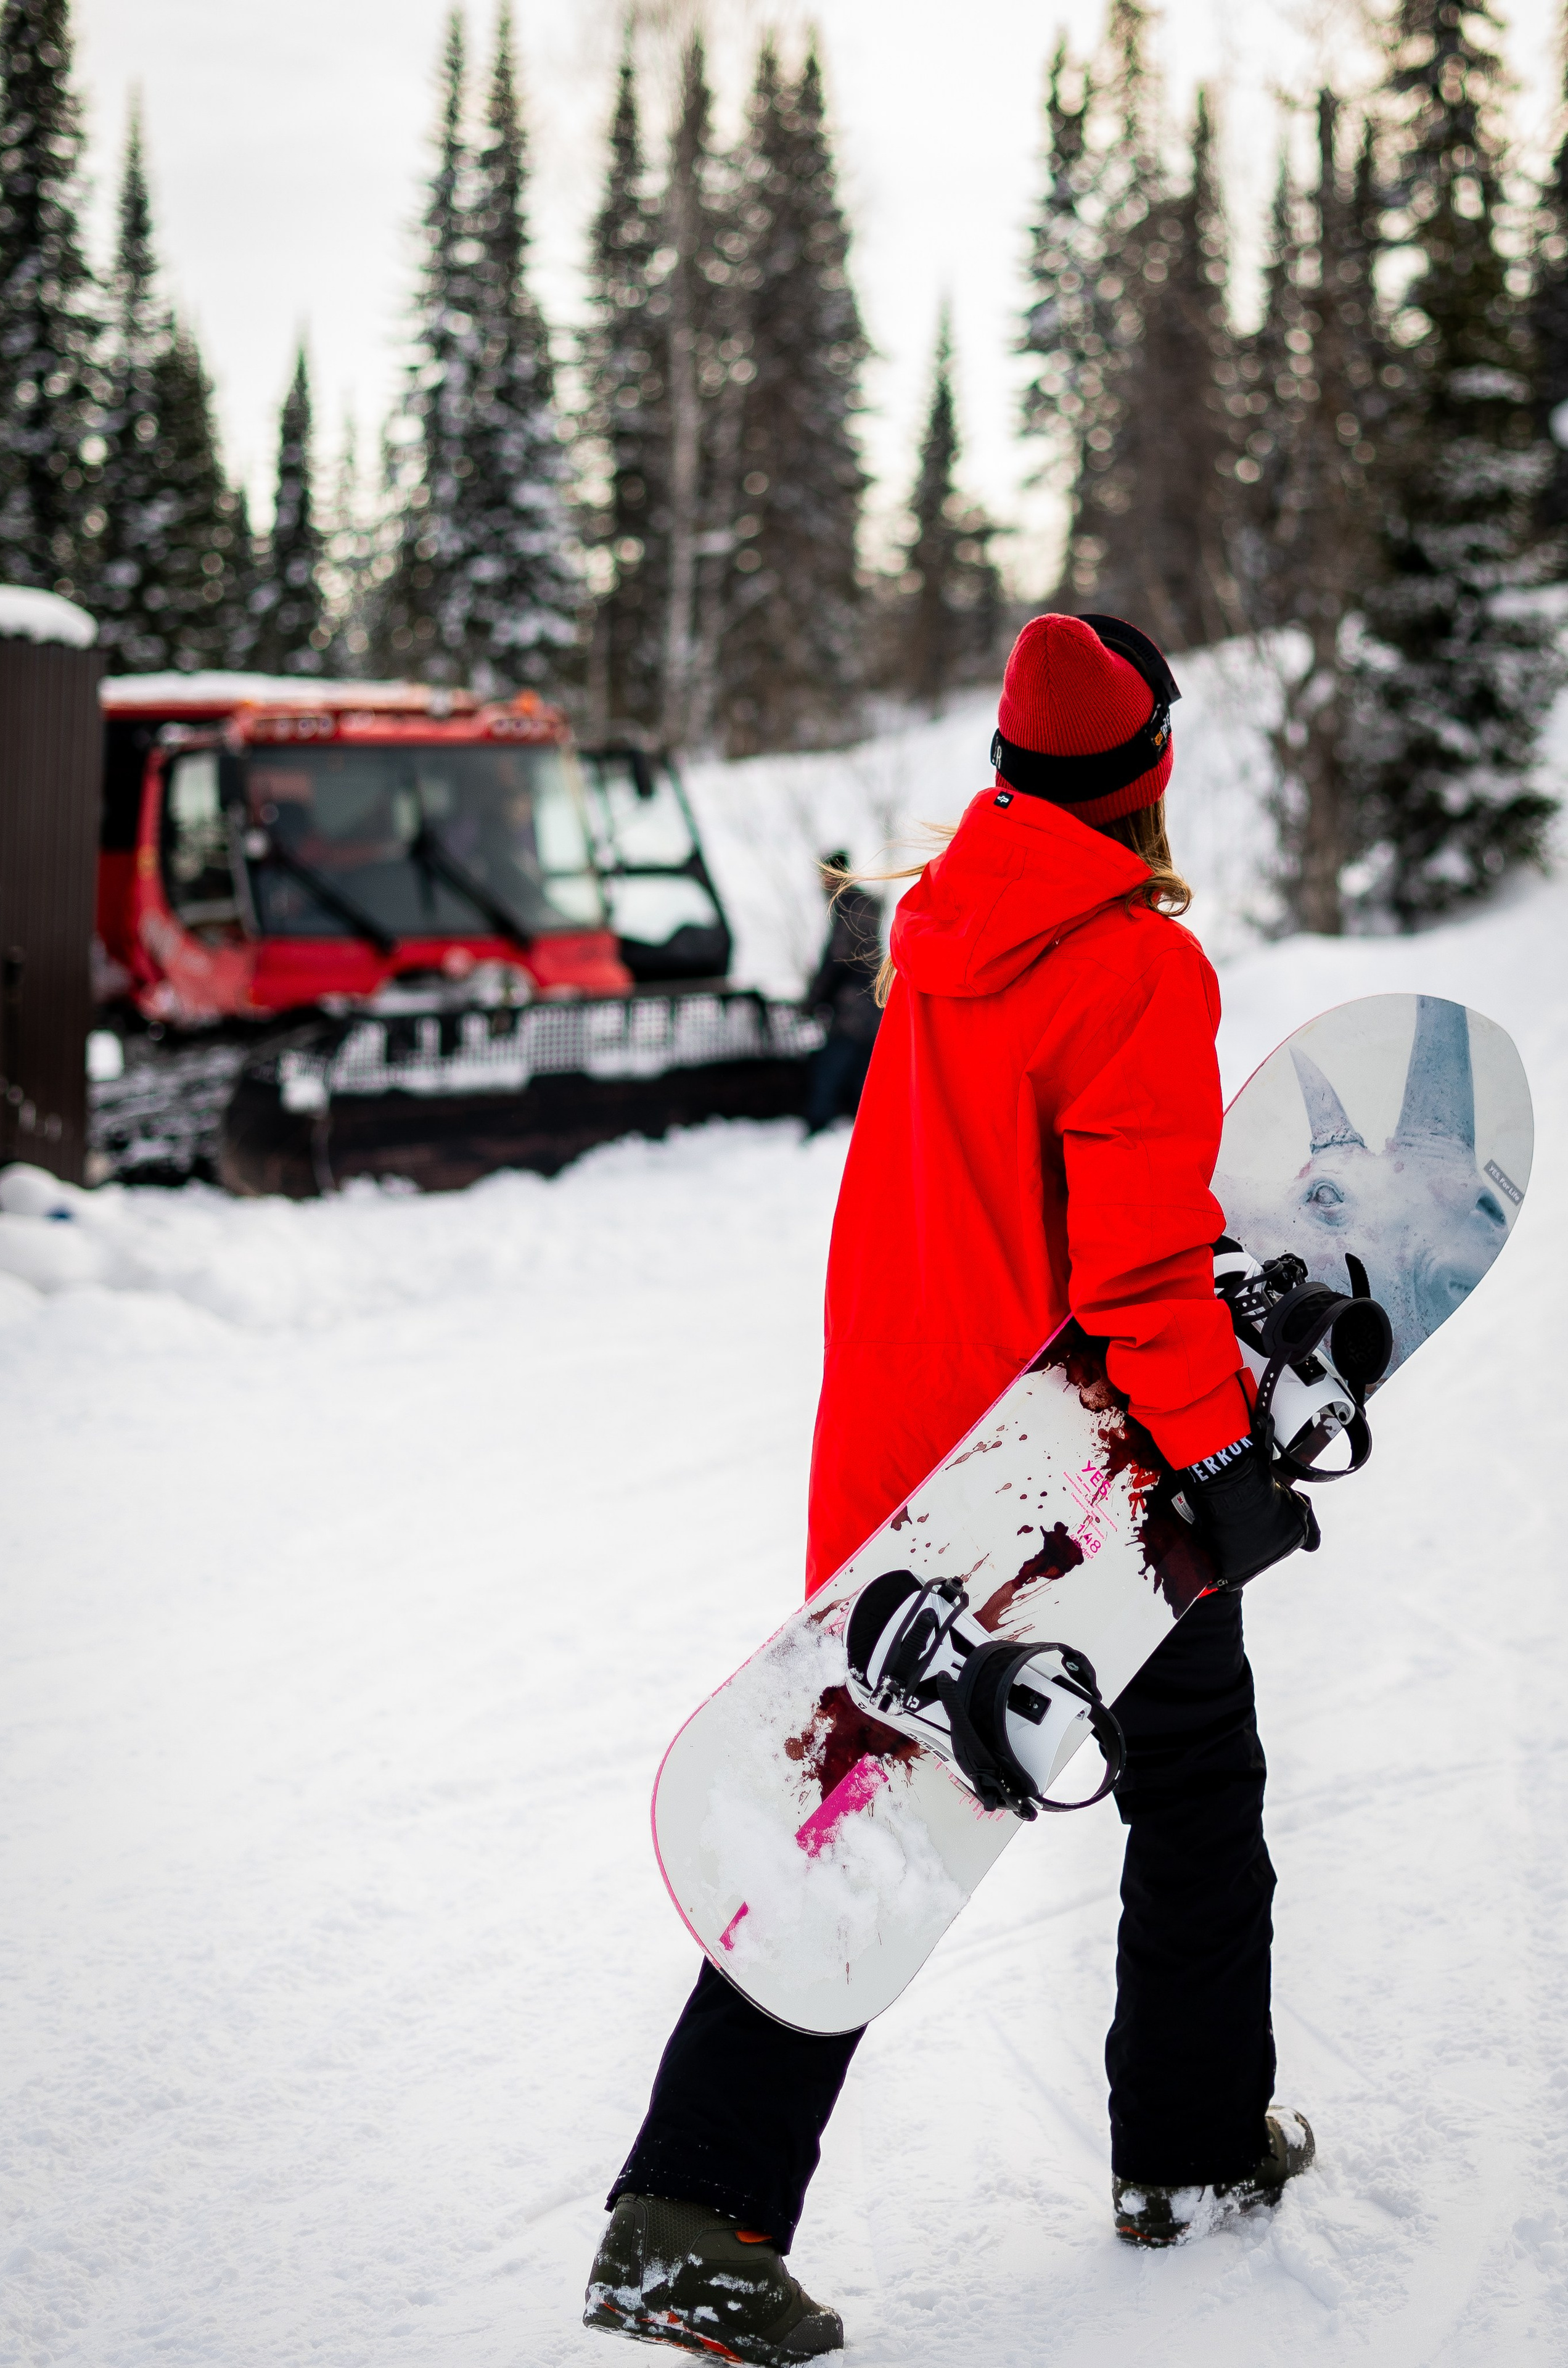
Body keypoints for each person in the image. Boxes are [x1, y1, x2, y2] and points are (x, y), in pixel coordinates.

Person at [584, 614, 1320, 2362]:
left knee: (876, 1806)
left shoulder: (939, 923)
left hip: (905, 1447)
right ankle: (1190, 2153)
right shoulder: (1134, 965)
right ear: (1148, 775)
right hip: (1055, 1474)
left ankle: (689, 2212)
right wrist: (1222, 1461)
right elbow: (1138, 1271)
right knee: (1194, 1779)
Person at [800, 852, 882, 1133]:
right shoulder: (860, 904)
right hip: (870, 1002)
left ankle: (818, 1123)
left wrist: (814, 1000)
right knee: (864, 1068)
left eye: (825, 875)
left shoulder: (850, 906)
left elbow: (838, 958)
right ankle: (871, 1124)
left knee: (832, 1065)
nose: (822, 882)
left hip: (854, 1006)